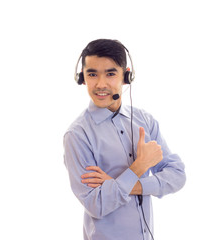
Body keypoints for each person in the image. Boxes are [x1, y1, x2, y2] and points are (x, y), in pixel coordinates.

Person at [63, 39, 186, 240]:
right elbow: (97, 204)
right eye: (92, 74)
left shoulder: (145, 120)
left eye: (111, 74)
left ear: (126, 76)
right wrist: (139, 167)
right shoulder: (77, 135)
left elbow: (177, 175)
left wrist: (122, 185)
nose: (101, 84)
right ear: (82, 78)